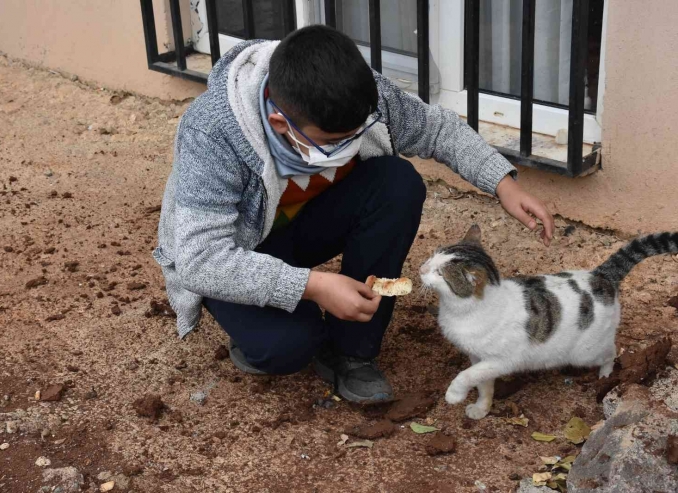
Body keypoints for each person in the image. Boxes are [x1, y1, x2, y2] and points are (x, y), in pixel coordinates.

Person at [154, 25, 554, 403]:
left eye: (357, 133)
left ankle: (353, 352)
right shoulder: (212, 132)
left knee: (397, 182)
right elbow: (200, 259)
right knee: (287, 348)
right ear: (280, 122)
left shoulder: (359, 97)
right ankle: (266, 329)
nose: (350, 145)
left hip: (302, 229)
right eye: (333, 141)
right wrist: (313, 286)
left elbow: (435, 128)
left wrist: (503, 182)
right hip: (237, 253)